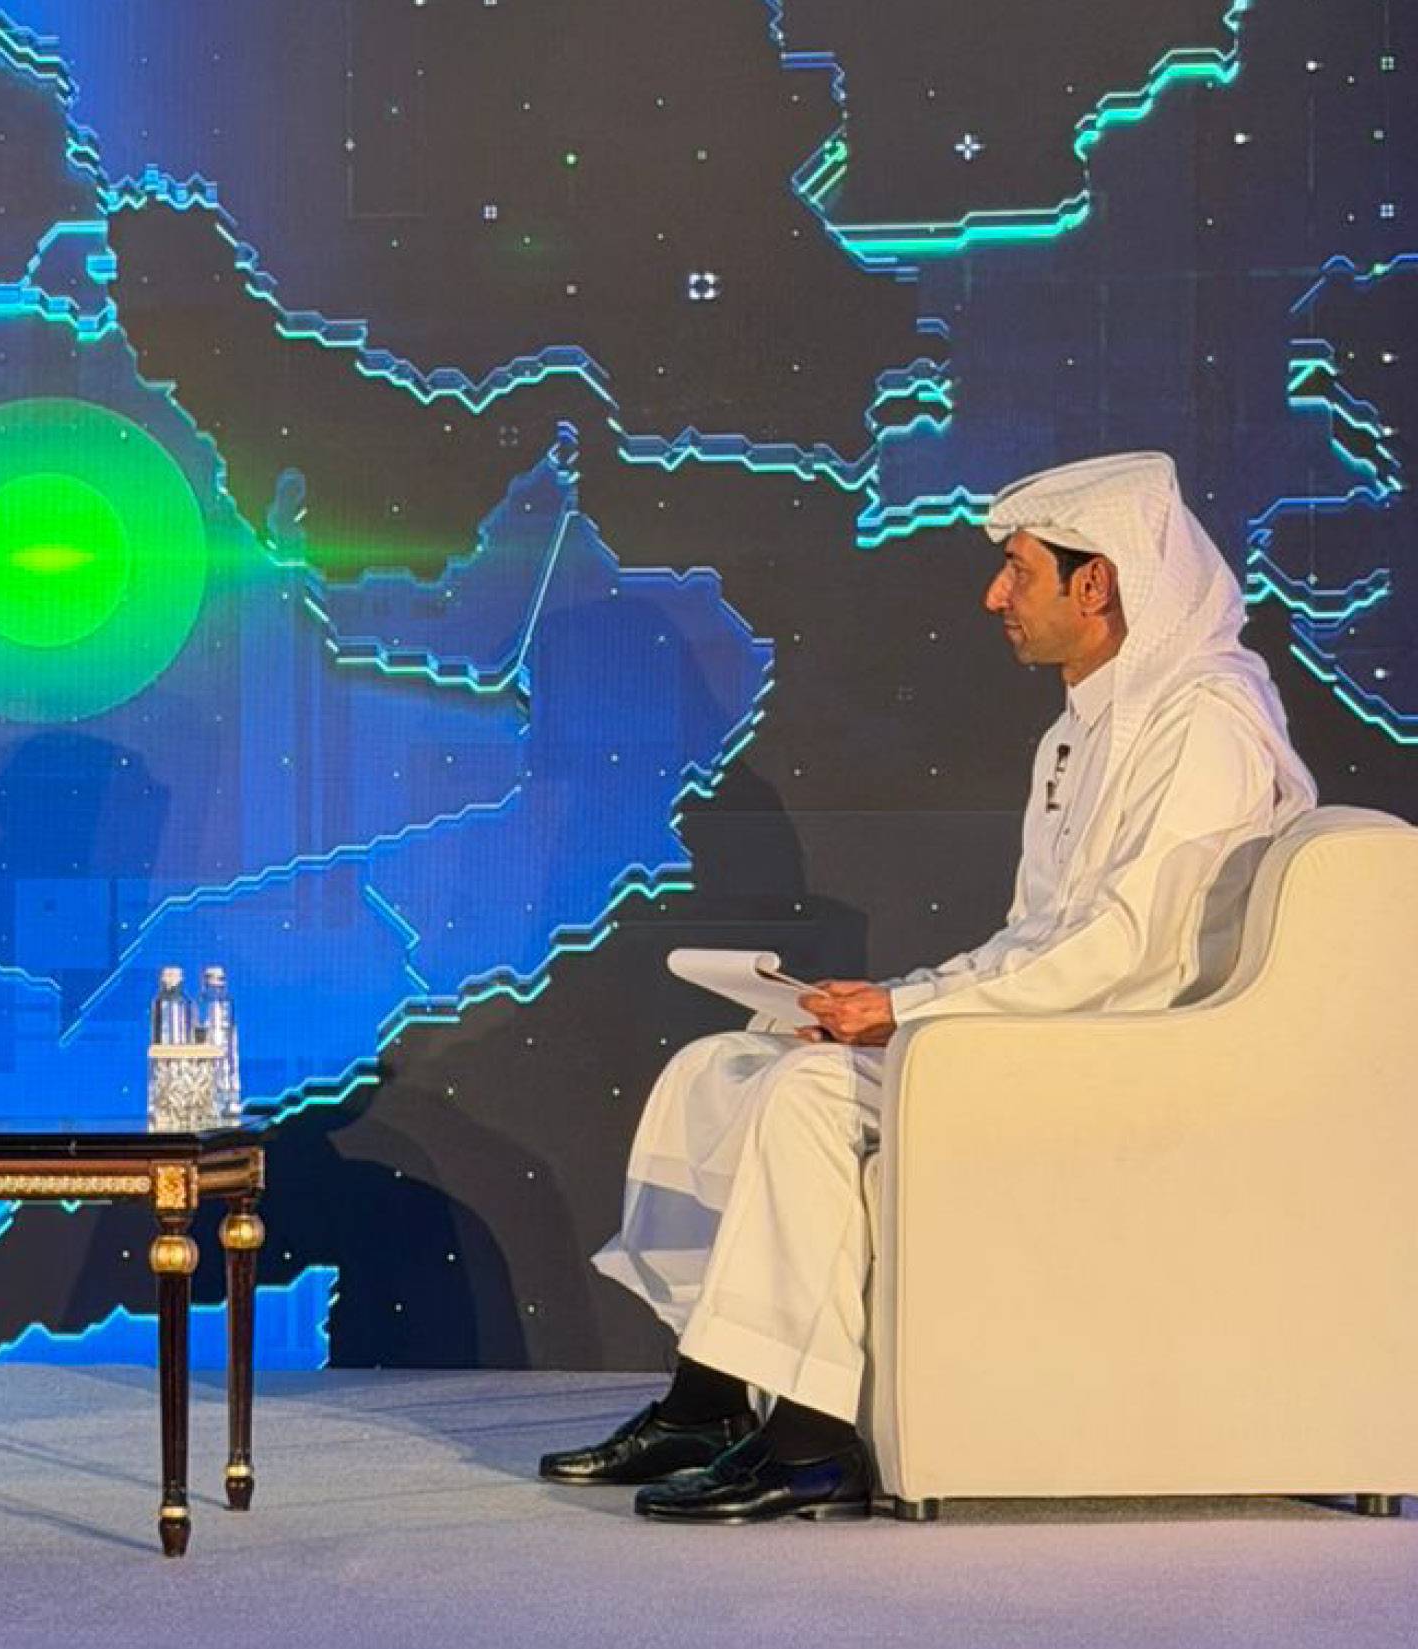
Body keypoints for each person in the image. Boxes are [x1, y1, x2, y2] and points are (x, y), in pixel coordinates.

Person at [545, 452, 1318, 1522]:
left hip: (1129, 1058)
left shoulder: (1203, 721)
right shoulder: (1084, 726)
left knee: (805, 1096)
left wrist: (910, 1016)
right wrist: (893, 998)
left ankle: (811, 1441)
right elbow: (1033, 938)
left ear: (1095, 583)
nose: (994, 596)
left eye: (1018, 570)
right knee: (720, 1068)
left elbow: (1127, 947)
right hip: (1050, 1032)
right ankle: (708, 1400)